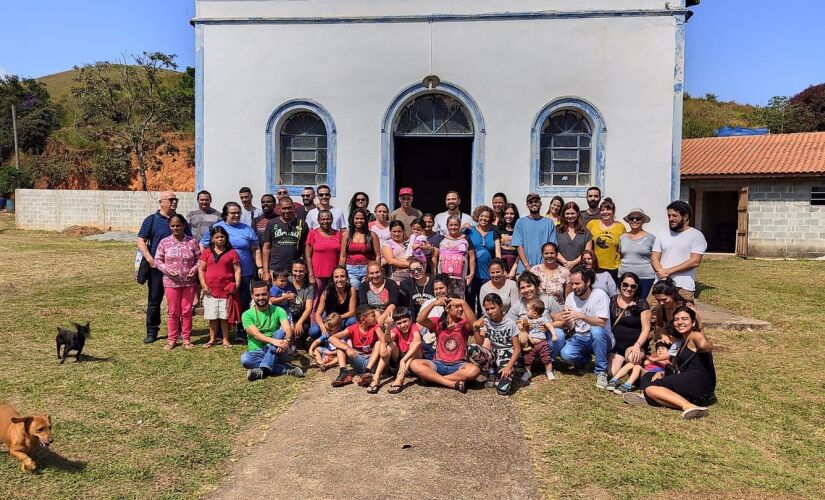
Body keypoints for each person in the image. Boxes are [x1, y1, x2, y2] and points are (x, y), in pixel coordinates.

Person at [626, 306, 716, 419]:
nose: (680, 322)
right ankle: (653, 398)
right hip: (688, 379)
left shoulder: (695, 335)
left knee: (651, 388)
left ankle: (688, 406)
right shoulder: (683, 342)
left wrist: (710, 347)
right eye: (676, 319)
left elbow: (703, 344)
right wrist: (663, 373)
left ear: (693, 323)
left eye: (684, 319)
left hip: (698, 382)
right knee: (649, 375)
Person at [200, 202, 263, 339]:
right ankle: (221, 332)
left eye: (238, 213)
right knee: (222, 302)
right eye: (233, 213)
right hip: (223, 276)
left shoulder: (247, 229)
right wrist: (208, 263)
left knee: (243, 301)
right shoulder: (217, 228)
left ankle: (242, 329)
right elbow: (203, 245)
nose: (236, 215)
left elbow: (255, 249)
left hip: (245, 272)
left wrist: (260, 267)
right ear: (225, 214)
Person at [137, 191, 189, 344]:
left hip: (178, 270)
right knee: (154, 300)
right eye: (171, 199)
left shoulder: (179, 220)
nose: (174, 202)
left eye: (176, 199)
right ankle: (152, 331)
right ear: (161, 202)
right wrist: (149, 259)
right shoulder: (151, 220)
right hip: (157, 269)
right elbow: (141, 240)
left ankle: (178, 330)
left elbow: (189, 239)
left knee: (178, 301)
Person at [410, 296, 483, 393]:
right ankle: (451, 383)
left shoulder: (464, 324)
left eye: (461, 306)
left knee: (474, 370)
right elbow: (420, 319)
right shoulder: (438, 322)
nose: (460, 309)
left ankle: (435, 379)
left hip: (459, 365)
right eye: (456, 306)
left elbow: (474, 323)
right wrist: (433, 304)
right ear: (447, 309)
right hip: (438, 363)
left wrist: (463, 302)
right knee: (414, 364)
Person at [559, 266, 614, 389]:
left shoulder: (600, 295)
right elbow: (572, 326)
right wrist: (567, 320)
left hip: (603, 336)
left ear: (588, 282)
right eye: (572, 284)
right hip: (581, 336)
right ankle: (585, 361)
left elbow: (601, 322)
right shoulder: (570, 298)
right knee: (566, 354)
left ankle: (601, 372)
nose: (573, 287)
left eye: (577, 283)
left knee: (596, 331)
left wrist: (581, 316)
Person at [155, 214, 201, 350]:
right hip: (171, 282)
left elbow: (200, 259)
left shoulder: (192, 242)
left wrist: (194, 269)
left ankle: (186, 338)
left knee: (187, 311)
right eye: (173, 226)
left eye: (178, 225)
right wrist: (168, 270)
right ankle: (172, 339)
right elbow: (157, 260)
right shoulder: (164, 242)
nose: (176, 228)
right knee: (173, 311)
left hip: (188, 282)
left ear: (184, 225)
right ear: (170, 227)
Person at [241, 282, 304, 381]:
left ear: (269, 294)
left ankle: (262, 369)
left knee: (279, 333)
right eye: (257, 295)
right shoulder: (246, 314)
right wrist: (274, 341)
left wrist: (286, 341)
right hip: (258, 351)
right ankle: (283, 368)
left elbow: (287, 328)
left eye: (264, 294)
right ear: (252, 296)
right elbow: (256, 335)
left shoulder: (278, 310)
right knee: (245, 359)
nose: (261, 297)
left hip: (278, 350)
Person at [650, 201, 707, 303]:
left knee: (682, 316)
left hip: (683, 287)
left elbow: (695, 261)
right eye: (669, 216)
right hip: (660, 284)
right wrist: (662, 274)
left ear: (685, 217)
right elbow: (654, 257)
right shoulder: (661, 234)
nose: (671, 219)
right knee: (653, 316)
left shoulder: (696, 235)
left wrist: (668, 272)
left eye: (674, 215)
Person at [604, 272, 651, 390]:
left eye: (633, 286)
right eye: (625, 285)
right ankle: (624, 367)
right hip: (616, 346)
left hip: (633, 345)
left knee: (633, 360)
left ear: (637, 288)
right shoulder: (612, 301)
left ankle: (633, 370)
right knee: (612, 373)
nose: (628, 288)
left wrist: (637, 345)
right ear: (620, 285)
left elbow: (646, 329)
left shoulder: (642, 303)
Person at [198, 225, 241, 349]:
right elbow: (201, 269)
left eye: (222, 237)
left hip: (226, 290)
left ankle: (226, 340)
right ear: (212, 239)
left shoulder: (232, 253)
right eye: (217, 237)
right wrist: (203, 285)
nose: (220, 239)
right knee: (212, 316)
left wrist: (237, 284)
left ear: (226, 238)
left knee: (224, 316)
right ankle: (212, 339)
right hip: (210, 290)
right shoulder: (206, 252)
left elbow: (237, 269)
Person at [471, 293, 521, 395]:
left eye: (493, 308)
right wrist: (475, 329)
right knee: (472, 349)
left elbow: (517, 349)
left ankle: (504, 373)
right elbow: (480, 344)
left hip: (507, 355)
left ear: (501, 306)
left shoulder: (510, 324)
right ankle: (492, 372)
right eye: (487, 309)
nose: (490, 312)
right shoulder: (486, 321)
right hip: (493, 353)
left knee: (502, 390)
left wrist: (508, 367)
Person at [329, 305, 383, 387]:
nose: (375, 317)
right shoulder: (353, 328)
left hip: (372, 363)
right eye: (373, 316)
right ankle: (344, 373)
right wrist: (346, 347)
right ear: (363, 319)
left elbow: (382, 339)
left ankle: (367, 372)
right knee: (341, 347)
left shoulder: (375, 327)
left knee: (379, 343)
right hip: (359, 362)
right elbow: (332, 338)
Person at [261, 197, 308, 282]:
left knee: (295, 295)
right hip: (275, 269)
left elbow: (306, 248)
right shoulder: (272, 223)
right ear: (279, 209)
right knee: (275, 295)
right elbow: (266, 248)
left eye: (289, 208)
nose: (287, 211)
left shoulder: (302, 224)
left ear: (294, 208)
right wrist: (265, 271)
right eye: (284, 208)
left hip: (295, 271)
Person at [464, 205, 501, 312]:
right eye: (482, 216)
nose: (484, 218)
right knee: (470, 301)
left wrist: (498, 271)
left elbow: (498, 253)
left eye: (487, 217)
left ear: (490, 218)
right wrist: (462, 227)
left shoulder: (494, 232)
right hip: (472, 273)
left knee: (485, 302)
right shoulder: (469, 230)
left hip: (487, 274)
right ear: (477, 216)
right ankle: (471, 326)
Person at [512, 193, 558, 273]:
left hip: (545, 269)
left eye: (536, 201)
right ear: (527, 205)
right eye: (531, 202)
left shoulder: (549, 223)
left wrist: (544, 266)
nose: (534, 204)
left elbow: (552, 247)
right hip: (524, 269)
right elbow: (519, 247)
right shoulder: (520, 222)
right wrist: (527, 266)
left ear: (540, 204)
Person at [309, 266, 357, 339]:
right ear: (333, 279)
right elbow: (318, 314)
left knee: (353, 320)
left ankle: (346, 339)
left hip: (343, 320)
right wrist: (323, 326)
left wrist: (337, 318)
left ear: (347, 278)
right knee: (313, 331)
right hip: (329, 321)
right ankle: (323, 341)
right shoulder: (326, 292)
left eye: (342, 276)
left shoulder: (351, 290)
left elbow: (352, 312)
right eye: (336, 277)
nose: (339, 279)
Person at [618, 208, 656, 300]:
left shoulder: (651, 238)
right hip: (624, 276)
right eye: (631, 218)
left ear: (643, 220)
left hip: (645, 277)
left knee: (642, 303)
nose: (634, 220)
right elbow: (620, 255)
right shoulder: (622, 237)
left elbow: (655, 257)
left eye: (638, 218)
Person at [384, 308, 425, 394]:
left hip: (413, 359)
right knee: (391, 345)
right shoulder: (396, 330)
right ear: (395, 324)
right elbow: (387, 340)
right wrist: (388, 329)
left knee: (414, 344)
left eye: (405, 321)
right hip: (400, 361)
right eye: (399, 323)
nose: (402, 325)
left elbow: (417, 342)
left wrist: (403, 360)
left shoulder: (414, 327)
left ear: (410, 320)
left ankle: (400, 377)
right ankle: (377, 376)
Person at [433, 215, 476, 297]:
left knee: (458, 301)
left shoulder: (466, 239)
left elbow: (472, 257)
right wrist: (434, 274)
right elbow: (434, 257)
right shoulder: (440, 239)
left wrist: (472, 273)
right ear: (447, 226)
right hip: (443, 279)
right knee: (443, 299)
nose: (453, 227)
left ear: (459, 226)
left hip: (460, 279)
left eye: (456, 225)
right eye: (451, 225)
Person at [586, 197, 626, 284]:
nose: (605, 212)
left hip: (614, 267)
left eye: (608, 209)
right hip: (595, 266)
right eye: (602, 210)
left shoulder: (620, 227)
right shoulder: (592, 224)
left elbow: (623, 248)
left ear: (613, 211)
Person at [519, 298, 559, 383]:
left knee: (546, 358)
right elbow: (521, 324)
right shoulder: (526, 319)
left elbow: (550, 326)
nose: (526, 311)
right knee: (527, 359)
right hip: (530, 344)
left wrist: (554, 335)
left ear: (535, 313)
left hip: (542, 343)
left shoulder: (543, 319)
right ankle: (527, 372)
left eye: (528, 310)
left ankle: (549, 371)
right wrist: (521, 326)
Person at [339, 208, 380, 290]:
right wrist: (341, 271)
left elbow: (378, 255)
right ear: (353, 220)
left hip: (367, 270)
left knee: (367, 293)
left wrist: (374, 271)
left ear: (365, 220)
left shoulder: (372, 235)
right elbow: (343, 256)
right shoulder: (347, 236)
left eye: (362, 218)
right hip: (351, 270)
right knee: (353, 293)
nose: (359, 221)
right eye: (357, 218)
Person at [305, 209, 344, 294]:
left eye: (328, 219)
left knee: (332, 297)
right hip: (317, 274)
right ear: (318, 220)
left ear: (332, 220)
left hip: (334, 274)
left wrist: (341, 272)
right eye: (323, 219)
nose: (325, 221)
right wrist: (311, 274)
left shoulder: (338, 234)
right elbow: (308, 256)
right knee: (316, 298)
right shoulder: (312, 234)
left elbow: (342, 255)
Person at [530, 242, 571, 308]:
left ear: (557, 254)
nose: (549, 256)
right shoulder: (534, 270)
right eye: (546, 253)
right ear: (542, 255)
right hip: (537, 310)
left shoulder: (565, 272)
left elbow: (568, 296)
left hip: (558, 310)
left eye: (552, 253)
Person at [556, 202, 593, 270]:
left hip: (580, 270)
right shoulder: (557, 230)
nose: (570, 216)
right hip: (560, 269)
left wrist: (573, 263)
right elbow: (553, 249)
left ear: (577, 214)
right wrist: (565, 263)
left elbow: (587, 252)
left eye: (572, 213)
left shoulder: (585, 232)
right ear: (563, 215)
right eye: (567, 213)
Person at [285, 260, 315, 344]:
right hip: (285, 315)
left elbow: (309, 308)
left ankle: (298, 339)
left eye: (301, 271)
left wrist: (299, 323)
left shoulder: (309, 288)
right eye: (295, 271)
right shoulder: (286, 281)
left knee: (304, 328)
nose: (298, 274)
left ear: (306, 271)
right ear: (292, 270)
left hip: (299, 316)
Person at [497, 203, 520, 276]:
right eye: (506, 213)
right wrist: (502, 269)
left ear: (515, 215)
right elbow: (497, 251)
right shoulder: (498, 229)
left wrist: (513, 270)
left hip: (516, 264)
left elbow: (520, 251)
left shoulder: (519, 230)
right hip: (501, 264)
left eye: (512, 213)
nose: (509, 216)